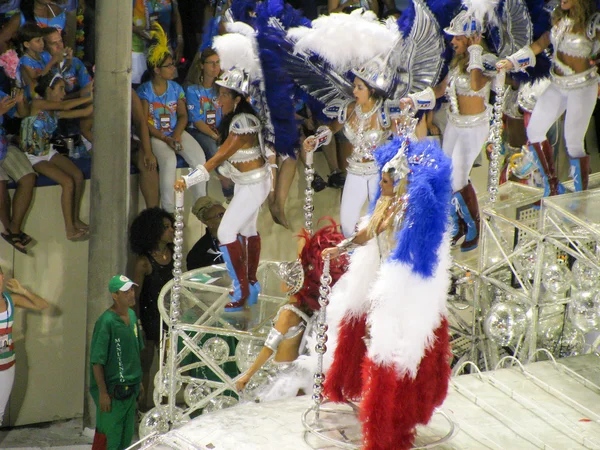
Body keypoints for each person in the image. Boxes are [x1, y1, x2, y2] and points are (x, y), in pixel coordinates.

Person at [322, 136, 452, 450]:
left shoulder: (414, 210)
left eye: (385, 177)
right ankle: (357, 390)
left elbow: (425, 253)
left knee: (397, 351)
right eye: (381, 177)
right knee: (356, 323)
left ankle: (396, 420)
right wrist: (341, 247)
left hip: (405, 286)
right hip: (381, 279)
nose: (381, 181)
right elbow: (368, 232)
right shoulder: (385, 202)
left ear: (401, 178)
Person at [175, 68, 272, 312]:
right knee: (247, 230)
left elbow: (217, 158)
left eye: (224, 95)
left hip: (254, 184)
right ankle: (250, 285)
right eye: (219, 94)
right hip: (247, 183)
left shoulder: (242, 123)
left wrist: (188, 181)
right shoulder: (237, 120)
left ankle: (242, 291)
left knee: (227, 233)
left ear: (238, 99)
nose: (219, 100)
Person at [235, 219, 347, 396]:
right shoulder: (304, 309)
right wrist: (304, 245)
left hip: (282, 377)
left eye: (284, 279)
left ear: (290, 286)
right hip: (297, 374)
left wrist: (247, 375)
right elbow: (304, 269)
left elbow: (268, 348)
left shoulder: (287, 314)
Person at [497, 0, 599, 193]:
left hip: (583, 88)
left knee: (574, 142)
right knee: (535, 130)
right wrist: (511, 62)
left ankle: (579, 198)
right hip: (557, 85)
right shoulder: (559, 19)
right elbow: (539, 44)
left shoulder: (593, 23)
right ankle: (551, 185)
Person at [304, 75, 393, 237]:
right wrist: (316, 140)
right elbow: (331, 128)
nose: (354, 91)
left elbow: (402, 138)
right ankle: (352, 259)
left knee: (379, 224)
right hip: (355, 170)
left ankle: (380, 260)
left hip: (378, 173)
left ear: (371, 90)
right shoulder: (349, 110)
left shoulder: (384, 112)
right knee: (347, 225)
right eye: (354, 87)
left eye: (360, 87)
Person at [137, 24, 206, 213]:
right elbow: (143, 122)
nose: (173, 68)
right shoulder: (145, 91)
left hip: (175, 132)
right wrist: (165, 138)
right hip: (156, 135)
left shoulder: (176, 88)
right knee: (168, 162)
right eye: (169, 66)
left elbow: (183, 115)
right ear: (157, 70)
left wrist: (176, 135)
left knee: (199, 158)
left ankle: (201, 203)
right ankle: (168, 210)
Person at [440, 12, 494, 252]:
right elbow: (441, 90)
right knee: (446, 175)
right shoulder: (455, 62)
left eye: (458, 38)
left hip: (474, 127)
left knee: (459, 177)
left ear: (472, 38)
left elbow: (475, 84)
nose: (452, 43)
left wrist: (475, 50)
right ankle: (458, 225)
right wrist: (414, 99)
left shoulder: (487, 60)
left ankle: (474, 227)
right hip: (454, 124)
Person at [20, 72, 93, 240]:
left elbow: (85, 112)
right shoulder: (38, 104)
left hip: (47, 151)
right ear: (49, 89)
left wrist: (96, 95)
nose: (64, 94)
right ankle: (70, 229)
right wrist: (88, 98)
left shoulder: (54, 112)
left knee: (78, 176)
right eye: (60, 89)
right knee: (67, 182)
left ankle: (75, 220)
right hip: (33, 155)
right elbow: (67, 106)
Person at [90, 275, 144, 450]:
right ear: (115, 295)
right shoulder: (106, 322)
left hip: (131, 389)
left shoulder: (132, 316)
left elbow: (135, 352)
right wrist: (103, 393)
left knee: (126, 437)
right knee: (109, 438)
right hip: (113, 393)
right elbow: (97, 361)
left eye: (132, 290)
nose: (131, 294)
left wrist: (139, 380)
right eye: (126, 291)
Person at [129, 207, 174, 409]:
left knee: (168, 367)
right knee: (144, 366)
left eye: (171, 226)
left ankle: (164, 408)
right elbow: (135, 296)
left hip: (170, 318)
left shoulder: (174, 254)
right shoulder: (143, 262)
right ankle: (141, 408)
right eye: (166, 227)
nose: (171, 230)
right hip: (148, 318)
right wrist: (136, 323)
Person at [0, 266, 49, 426]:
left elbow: (42, 305)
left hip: (7, 365)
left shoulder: (10, 299)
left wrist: (23, 291)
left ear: (3, 277)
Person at [185, 48, 234, 199]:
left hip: (219, 129)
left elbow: (228, 112)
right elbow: (197, 120)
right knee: (214, 149)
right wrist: (214, 135)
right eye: (211, 63)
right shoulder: (192, 90)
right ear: (202, 66)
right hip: (200, 131)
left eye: (218, 63)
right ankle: (227, 188)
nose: (215, 67)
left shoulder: (222, 90)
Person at [41, 26, 93, 145]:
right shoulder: (44, 65)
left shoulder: (75, 62)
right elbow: (49, 96)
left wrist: (68, 63)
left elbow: (88, 87)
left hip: (76, 106)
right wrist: (54, 62)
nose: (60, 46)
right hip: (54, 110)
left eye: (60, 41)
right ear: (44, 47)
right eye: (54, 43)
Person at [0, 87, 37, 254]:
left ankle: (13, 230)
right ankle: (11, 231)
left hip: (2, 145)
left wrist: (21, 102)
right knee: (1, 189)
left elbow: (21, 114)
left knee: (28, 178)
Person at [131, 89, 159, 208]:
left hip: (125, 140)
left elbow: (141, 122)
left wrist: (148, 151)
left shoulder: (129, 92)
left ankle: (153, 214)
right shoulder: (93, 89)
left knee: (148, 164)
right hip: (98, 142)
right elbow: (85, 129)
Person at [186, 196, 225, 271]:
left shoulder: (239, 238)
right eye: (221, 215)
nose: (227, 218)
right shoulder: (198, 254)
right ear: (209, 222)